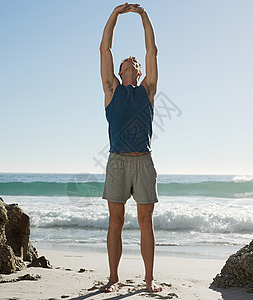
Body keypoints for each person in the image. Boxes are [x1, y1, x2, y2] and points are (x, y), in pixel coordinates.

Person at [99, 3, 161, 293]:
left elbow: (152, 51)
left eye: (135, 62)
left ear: (138, 71)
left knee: (146, 221)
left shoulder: (147, 89)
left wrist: (142, 16)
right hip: (117, 161)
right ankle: (113, 277)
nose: (132, 61)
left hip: (143, 161)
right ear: (120, 70)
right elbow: (104, 50)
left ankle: (149, 279)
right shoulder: (111, 89)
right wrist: (115, 15)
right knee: (116, 220)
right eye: (127, 61)